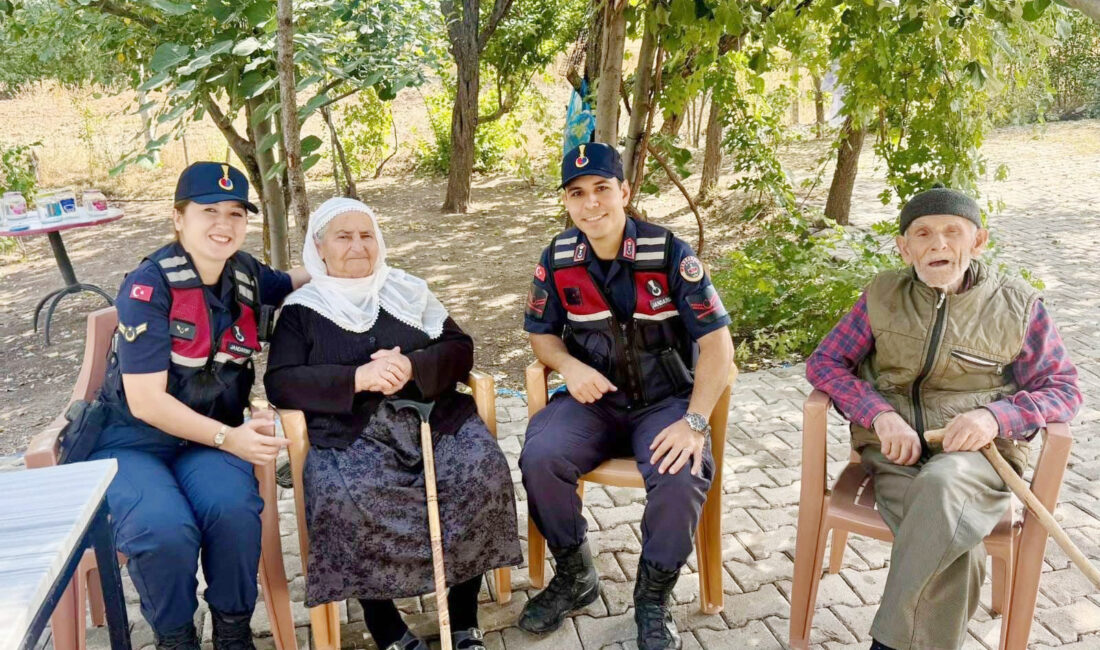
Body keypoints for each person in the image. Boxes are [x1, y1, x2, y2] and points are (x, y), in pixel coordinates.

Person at [806, 186, 1082, 650]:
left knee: (940, 488)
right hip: (896, 454)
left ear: (978, 242)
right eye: (923, 234)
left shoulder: (1018, 306)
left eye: (953, 232)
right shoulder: (881, 293)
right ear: (904, 247)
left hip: (979, 461)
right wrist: (878, 416)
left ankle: (887, 645)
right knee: (959, 547)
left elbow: (1064, 389)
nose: (938, 245)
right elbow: (825, 364)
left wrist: (995, 417)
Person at [264, 197, 522, 650]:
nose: (357, 246)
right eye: (343, 237)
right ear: (319, 248)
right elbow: (281, 383)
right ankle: (386, 626)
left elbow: (460, 348)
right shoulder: (302, 309)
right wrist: (356, 378)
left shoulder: (408, 290)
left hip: (435, 420)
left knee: (481, 473)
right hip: (351, 435)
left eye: (366, 235)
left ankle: (462, 618)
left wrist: (414, 367)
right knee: (344, 497)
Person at [518, 142, 735, 650]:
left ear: (624, 191)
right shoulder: (558, 258)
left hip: (664, 404)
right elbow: (541, 334)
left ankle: (653, 598)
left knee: (681, 473)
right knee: (540, 456)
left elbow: (717, 347)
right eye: (577, 194)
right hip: (593, 403)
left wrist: (695, 422)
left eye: (601, 189)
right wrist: (568, 366)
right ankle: (576, 575)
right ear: (567, 203)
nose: (590, 203)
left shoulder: (670, 254)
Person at [86, 162, 309, 650]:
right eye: (208, 210)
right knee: (163, 527)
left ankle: (233, 633)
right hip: (134, 441)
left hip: (206, 440)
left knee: (232, 509)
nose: (223, 224)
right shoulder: (149, 286)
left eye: (235, 212)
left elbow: (294, 280)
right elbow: (145, 401)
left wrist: (351, 255)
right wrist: (232, 438)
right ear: (178, 217)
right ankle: (176, 637)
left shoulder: (245, 273)